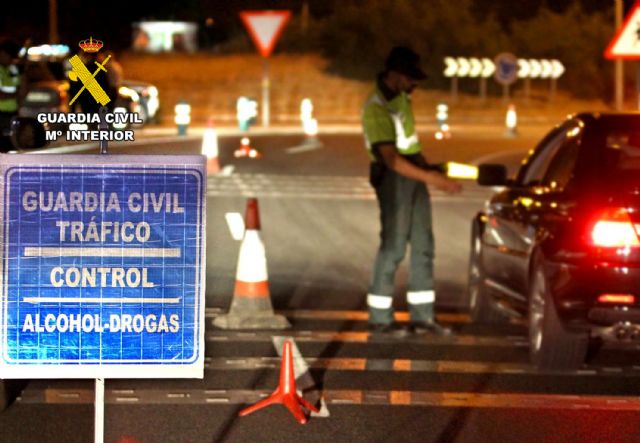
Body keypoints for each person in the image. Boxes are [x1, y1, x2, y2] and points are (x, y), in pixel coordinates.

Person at [362, 46, 462, 337]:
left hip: (414, 172)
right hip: (395, 178)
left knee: (423, 246)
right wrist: (433, 179)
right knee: (393, 246)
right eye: (410, 78)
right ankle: (380, 318)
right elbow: (391, 159)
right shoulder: (377, 107)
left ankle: (423, 318)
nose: (414, 85)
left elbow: (408, 144)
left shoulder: (401, 97)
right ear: (395, 75)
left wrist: (430, 170)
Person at [0, 39, 22, 151]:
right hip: (1, 115)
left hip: (13, 114)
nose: (11, 60)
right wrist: (16, 94)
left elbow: (22, 89)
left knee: (11, 146)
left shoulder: (13, 68)